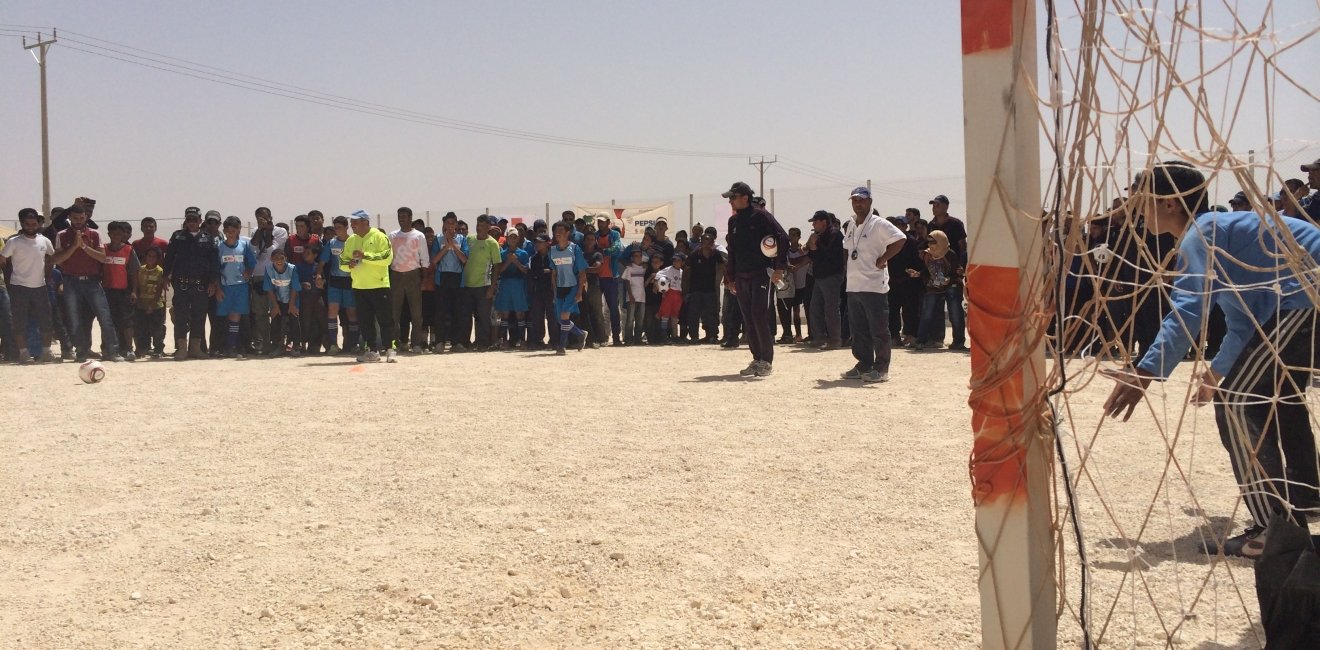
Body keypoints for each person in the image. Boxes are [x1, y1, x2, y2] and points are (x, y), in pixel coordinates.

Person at [1103, 161, 1320, 558]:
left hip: (1304, 299)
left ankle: (1273, 530)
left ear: (1169, 203)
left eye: (1140, 201)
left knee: (1239, 403)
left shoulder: (1200, 234)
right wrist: (1217, 372)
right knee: (1281, 400)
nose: (1135, 211)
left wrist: (1145, 371)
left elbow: (1188, 311)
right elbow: (1243, 321)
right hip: (1298, 301)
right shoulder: (1224, 233)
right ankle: (1305, 497)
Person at [838, 187, 907, 383]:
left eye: (861, 200)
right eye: (854, 200)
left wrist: (884, 258)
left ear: (870, 202)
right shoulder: (851, 224)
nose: (857, 203)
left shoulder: (879, 224)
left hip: (874, 285)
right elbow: (847, 249)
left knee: (878, 330)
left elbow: (900, 239)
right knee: (858, 330)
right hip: (854, 286)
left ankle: (882, 368)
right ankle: (864, 364)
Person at [721, 181, 789, 376]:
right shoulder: (733, 221)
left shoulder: (761, 216)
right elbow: (732, 250)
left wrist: (778, 268)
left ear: (745, 198)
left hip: (760, 274)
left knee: (759, 315)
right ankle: (756, 358)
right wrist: (731, 277)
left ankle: (766, 360)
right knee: (748, 318)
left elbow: (782, 238)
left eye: (733, 197)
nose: (730, 202)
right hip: (741, 277)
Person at [51, 204, 123, 362]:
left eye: (81, 218)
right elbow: (57, 259)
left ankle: (112, 351)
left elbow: (102, 257)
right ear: (70, 217)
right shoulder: (62, 235)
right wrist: (74, 247)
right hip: (71, 282)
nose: (78, 221)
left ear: (86, 218)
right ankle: (81, 352)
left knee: (104, 317)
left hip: (92, 281)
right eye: (75, 218)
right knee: (74, 318)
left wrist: (83, 246)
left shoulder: (94, 234)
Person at [0, 209, 57, 363]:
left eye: (34, 223)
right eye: (27, 224)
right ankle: (23, 353)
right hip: (19, 287)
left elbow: (52, 257)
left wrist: (48, 273)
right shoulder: (14, 242)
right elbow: (3, 259)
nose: (31, 226)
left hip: (40, 286)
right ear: (22, 224)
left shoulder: (44, 241)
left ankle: (46, 352)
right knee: (19, 322)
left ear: (38, 224)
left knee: (46, 321)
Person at [163, 206, 219, 360]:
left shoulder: (208, 238)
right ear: (185, 221)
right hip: (182, 284)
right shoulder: (177, 236)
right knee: (180, 316)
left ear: (200, 221)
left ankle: (195, 348)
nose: (192, 222)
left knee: (199, 316)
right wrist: (165, 276)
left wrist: (213, 282)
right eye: (189, 219)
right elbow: (169, 257)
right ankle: (181, 349)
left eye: (195, 219)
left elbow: (214, 262)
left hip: (201, 285)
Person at [340, 210, 395, 363]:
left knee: (386, 319)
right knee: (365, 321)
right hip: (359, 287)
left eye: (355, 222)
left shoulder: (379, 236)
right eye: (351, 222)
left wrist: (365, 256)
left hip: (379, 284)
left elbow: (387, 258)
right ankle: (372, 351)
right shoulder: (351, 240)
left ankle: (390, 349)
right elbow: (342, 262)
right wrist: (349, 265)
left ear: (366, 222)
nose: (352, 225)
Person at [915, 230, 965, 352]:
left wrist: (950, 279)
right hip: (933, 286)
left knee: (955, 314)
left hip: (951, 286)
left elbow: (956, 271)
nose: (931, 245)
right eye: (929, 242)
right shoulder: (927, 254)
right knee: (927, 313)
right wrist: (919, 274)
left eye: (934, 242)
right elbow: (927, 271)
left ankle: (958, 342)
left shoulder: (950, 254)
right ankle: (921, 341)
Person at [248, 207, 288, 355]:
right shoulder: (255, 231)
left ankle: (278, 343)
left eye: (264, 217)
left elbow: (272, 251)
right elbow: (252, 248)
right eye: (258, 217)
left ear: (270, 217)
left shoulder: (280, 232)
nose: (261, 220)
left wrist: (269, 230)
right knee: (260, 312)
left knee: (277, 311)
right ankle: (265, 342)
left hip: (276, 275)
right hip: (258, 275)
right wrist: (260, 230)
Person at [216, 216, 257, 358]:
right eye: (228, 231)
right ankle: (222, 347)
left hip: (241, 287)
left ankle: (232, 346)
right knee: (224, 317)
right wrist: (218, 288)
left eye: (233, 230)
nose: (230, 233)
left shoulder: (243, 246)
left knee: (236, 317)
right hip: (225, 286)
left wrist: (248, 273)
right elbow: (216, 269)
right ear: (224, 231)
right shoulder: (220, 247)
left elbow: (251, 263)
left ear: (239, 230)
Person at [389, 207, 429, 352]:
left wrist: (424, 279)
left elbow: (424, 258)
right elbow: (389, 257)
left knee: (416, 313)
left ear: (410, 217)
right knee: (394, 313)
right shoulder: (392, 235)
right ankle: (394, 344)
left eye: (404, 216)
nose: (401, 219)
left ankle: (416, 343)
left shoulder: (419, 236)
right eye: (399, 216)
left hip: (413, 275)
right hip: (396, 275)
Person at [317, 216, 358, 354]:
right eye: (335, 228)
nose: (337, 230)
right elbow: (322, 262)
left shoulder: (354, 241)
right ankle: (334, 345)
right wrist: (318, 275)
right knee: (332, 312)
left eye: (339, 227)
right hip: (334, 281)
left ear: (347, 227)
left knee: (352, 314)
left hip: (350, 281)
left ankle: (353, 344)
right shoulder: (331, 243)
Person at [462, 215, 503, 351]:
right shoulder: (470, 239)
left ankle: (482, 344)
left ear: (488, 227)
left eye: (482, 225)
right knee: (466, 316)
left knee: (482, 317)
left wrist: (492, 287)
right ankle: (465, 343)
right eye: (478, 225)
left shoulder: (492, 243)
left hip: (484, 285)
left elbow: (497, 266)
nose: (479, 228)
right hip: (467, 285)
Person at [101, 222, 141, 361]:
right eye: (113, 234)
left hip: (123, 291)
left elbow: (133, 273)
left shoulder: (129, 250)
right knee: (107, 321)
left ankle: (129, 349)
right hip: (106, 291)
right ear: (109, 234)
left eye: (119, 234)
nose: (116, 236)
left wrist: (134, 291)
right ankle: (107, 348)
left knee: (127, 321)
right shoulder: (103, 249)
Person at [806, 210, 846, 349]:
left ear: (824, 222)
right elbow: (812, 255)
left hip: (832, 275)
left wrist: (816, 246)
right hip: (819, 276)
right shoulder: (818, 235)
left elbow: (830, 254)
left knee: (831, 308)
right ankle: (819, 337)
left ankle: (835, 339)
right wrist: (811, 247)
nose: (814, 225)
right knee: (815, 308)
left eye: (815, 222)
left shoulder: (835, 234)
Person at [549, 221, 589, 354]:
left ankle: (561, 346)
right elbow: (553, 274)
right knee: (561, 320)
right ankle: (580, 333)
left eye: (561, 231)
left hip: (572, 287)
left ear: (568, 233)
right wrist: (554, 293)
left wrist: (579, 292)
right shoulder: (552, 251)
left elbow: (582, 272)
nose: (557, 233)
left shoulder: (575, 249)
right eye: (556, 231)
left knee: (565, 315)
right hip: (560, 288)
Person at [430, 213, 469, 352]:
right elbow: (434, 260)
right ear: (444, 224)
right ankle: (440, 342)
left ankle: (457, 342)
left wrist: (453, 245)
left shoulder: (462, 239)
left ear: (456, 224)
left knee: (457, 312)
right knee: (441, 312)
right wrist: (446, 247)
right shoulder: (438, 239)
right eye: (448, 223)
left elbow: (465, 259)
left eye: (453, 223)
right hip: (442, 278)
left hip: (458, 279)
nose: (451, 226)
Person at [682, 231, 723, 343]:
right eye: (704, 239)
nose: (707, 242)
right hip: (696, 289)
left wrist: (722, 280)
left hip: (710, 290)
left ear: (712, 242)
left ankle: (712, 336)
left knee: (711, 314)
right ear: (701, 241)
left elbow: (722, 266)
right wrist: (685, 290)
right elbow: (686, 271)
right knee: (693, 314)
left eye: (709, 240)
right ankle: (694, 337)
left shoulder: (716, 254)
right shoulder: (694, 255)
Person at [494, 229, 530, 348]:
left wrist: (516, 262)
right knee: (505, 313)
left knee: (520, 313)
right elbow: (499, 271)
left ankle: (522, 340)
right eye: (510, 237)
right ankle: (504, 340)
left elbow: (526, 271)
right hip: (505, 284)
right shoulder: (502, 253)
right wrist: (509, 261)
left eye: (515, 237)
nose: (513, 239)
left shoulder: (523, 253)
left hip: (519, 284)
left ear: (518, 238)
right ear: (507, 239)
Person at [132, 247, 168, 358]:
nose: (151, 258)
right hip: (141, 305)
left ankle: (158, 349)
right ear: (145, 257)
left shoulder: (160, 271)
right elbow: (137, 286)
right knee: (142, 328)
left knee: (157, 329)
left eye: (154, 257)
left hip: (156, 306)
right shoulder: (140, 270)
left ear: (157, 259)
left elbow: (159, 289)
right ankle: (143, 348)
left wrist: (152, 305)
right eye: (149, 256)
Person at [265, 249, 301, 357]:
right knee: (275, 321)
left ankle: (295, 346)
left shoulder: (292, 269)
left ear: (286, 258)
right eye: (276, 258)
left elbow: (295, 288)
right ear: (272, 259)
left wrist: (291, 305)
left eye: (282, 258)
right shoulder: (268, 269)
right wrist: (275, 306)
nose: (279, 260)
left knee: (294, 321)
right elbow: (269, 289)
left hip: (292, 299)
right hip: (278, 300)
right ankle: (277, 346)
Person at [526, 234, 556, 349]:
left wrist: (546, 272)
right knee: (537, 317)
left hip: (551, 290)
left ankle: (554, 340)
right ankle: (538, 340)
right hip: (538, 290)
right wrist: (544, 272)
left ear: (547, 243)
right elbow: (532, 273)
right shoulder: (534, 258)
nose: (537, 244)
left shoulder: (553, 256)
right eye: (536, 242)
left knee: (552, 317)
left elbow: (555, 272)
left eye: (540, 242)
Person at [928, 195, 968, 266]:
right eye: (933, 206)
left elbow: (962, 246)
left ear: (946, 207)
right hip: (936, 265)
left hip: (953, 263)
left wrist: (961, 265)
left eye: (937, 205)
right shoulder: (931, 225)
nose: (934, 208)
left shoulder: (956, 224)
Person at [654, 252, 686, 343]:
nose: (676, 262)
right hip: (669, 293)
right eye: (674, 260)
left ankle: (675, 336)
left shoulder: (682, 272)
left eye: (678, 261)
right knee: (665, 315)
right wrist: (661, 289)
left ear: (682, 262)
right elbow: (658, 276)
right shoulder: (668, 270)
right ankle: (663, 336)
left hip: (678, 295)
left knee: (675, 316)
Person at [622, 248, 648, 345]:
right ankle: (628, 339)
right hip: (632, 297)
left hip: (642, 297)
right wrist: (630, 296)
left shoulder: (643, 269)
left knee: (640, 320)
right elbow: (627, 283)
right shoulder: (629, 269)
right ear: (632, 258)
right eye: (636, 256)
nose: (638, 258)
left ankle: (638, 339)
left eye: (640, 256)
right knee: (630, 320)